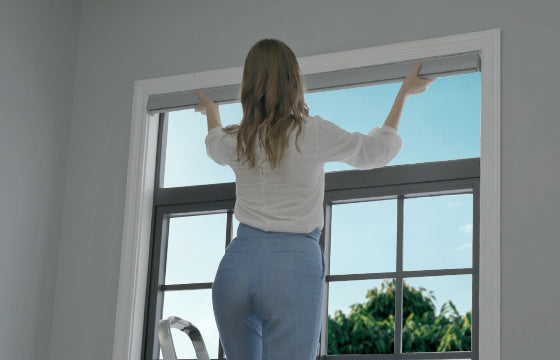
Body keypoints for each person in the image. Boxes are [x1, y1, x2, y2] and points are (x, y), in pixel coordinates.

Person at [195, 39, 434, 360]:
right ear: (294, 82)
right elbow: (375, 151)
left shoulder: (240, 139)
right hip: (291, 266)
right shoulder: (312, 132)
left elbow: (212, 143)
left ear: (249, 86)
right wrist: (402, 94)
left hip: (235, 269)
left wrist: (211, 110)